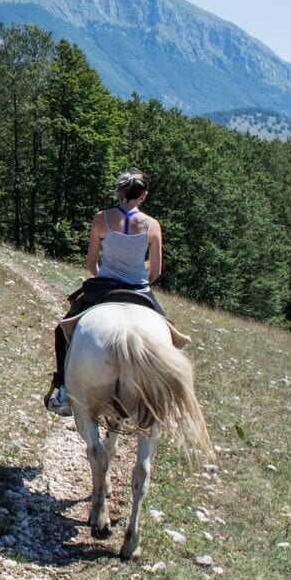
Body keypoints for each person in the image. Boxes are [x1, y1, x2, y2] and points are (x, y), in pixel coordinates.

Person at [45, 168, 190, 415]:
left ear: (121, 191)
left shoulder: (101, 218)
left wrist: (105, 273)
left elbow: (91, 263)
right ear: (144, 195)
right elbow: (155, 271)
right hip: (139, 290)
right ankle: (168, 399)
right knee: (170, 338)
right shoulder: (152, 225)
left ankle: (63, 390)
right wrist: (138, 277)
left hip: (105, 287)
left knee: (63, 329)